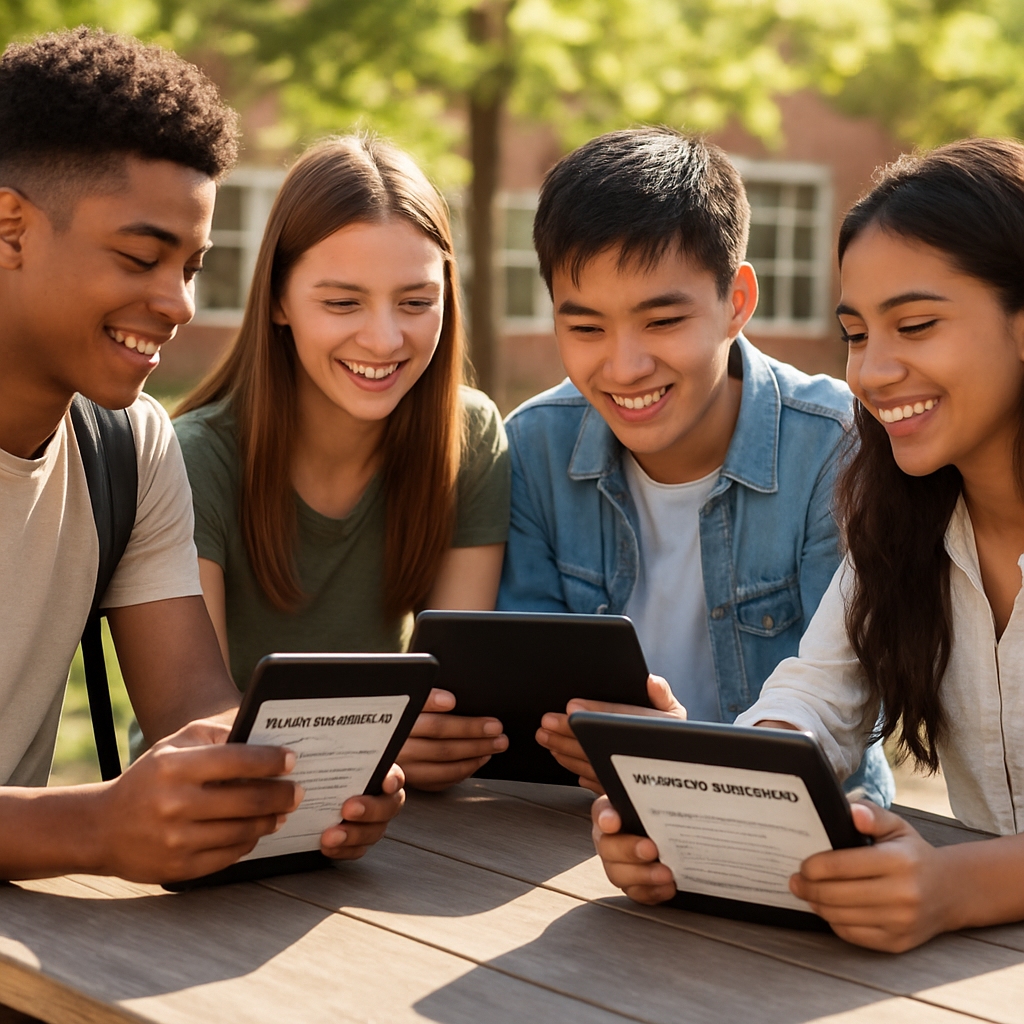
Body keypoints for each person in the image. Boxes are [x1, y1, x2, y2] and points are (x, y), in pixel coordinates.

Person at [593, 136, 1024, 952]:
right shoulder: (905, 527)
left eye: (918, 325)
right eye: (857, 333)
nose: (873, 371)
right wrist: (698, 814)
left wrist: (955, 887)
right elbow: (816, 698)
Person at [0, 27, 404, 882]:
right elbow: (96, 825)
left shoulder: (128, 444)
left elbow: (195, 711)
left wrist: (287, 789)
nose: (177, 304)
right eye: (142, 257)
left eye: (191, 266)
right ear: (10, 228)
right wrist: (91, 827)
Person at [497, 127, 893, 806]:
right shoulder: (533, 446)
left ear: (736, 302)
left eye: (661, 322)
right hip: (576, 829)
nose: (623, 367)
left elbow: (850, 706)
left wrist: (674, 758)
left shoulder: (836, 448)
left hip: (798, 831)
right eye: (586, 328)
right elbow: (523, 702)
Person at [172, 135, 511, 792]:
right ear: (277, 300)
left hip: (386, 816)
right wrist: (386, 746)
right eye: (342, 303)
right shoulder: (195, 459)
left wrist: (435, 740)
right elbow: (201, 730)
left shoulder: (468, 436)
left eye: (416, 302)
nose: (384, 339)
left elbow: (444, 697)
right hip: (220, 811)